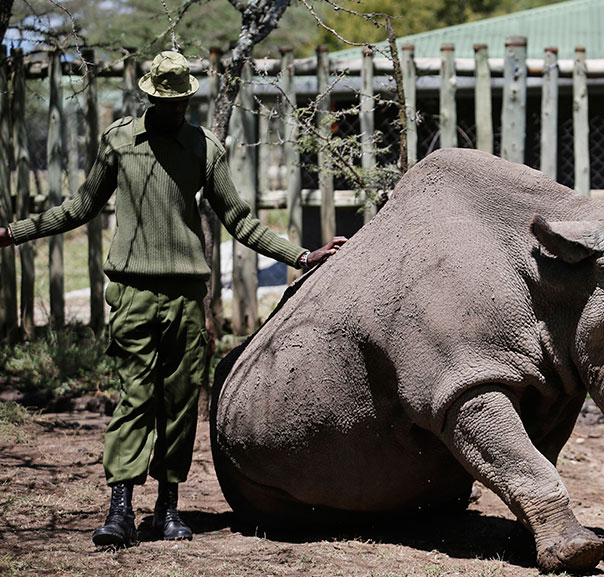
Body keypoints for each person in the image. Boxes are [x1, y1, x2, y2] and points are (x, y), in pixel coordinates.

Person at [0, 50, 347, 548]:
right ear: (151, 97)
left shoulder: (204, 147)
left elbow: (239, 218)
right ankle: (119, 510)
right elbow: (80, 207)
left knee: (180, 403)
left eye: (184, 101)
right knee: (135, 398)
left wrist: (300, 256)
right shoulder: (120, 143)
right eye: (169, 102)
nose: (178, 109)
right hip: (134, 293)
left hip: (185, 296)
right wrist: (14, 232)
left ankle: (167, 509)